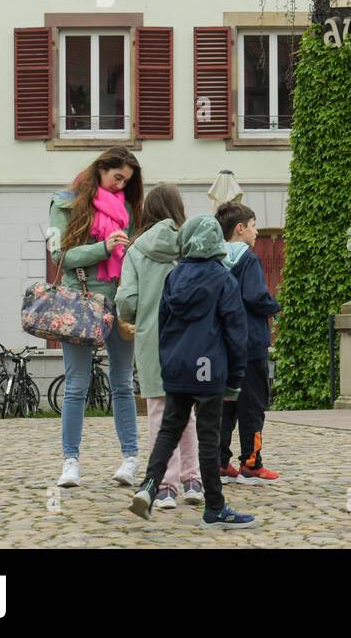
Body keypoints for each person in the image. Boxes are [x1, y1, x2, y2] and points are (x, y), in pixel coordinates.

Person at [129, 215, 253, 529]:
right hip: (209, 368)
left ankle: (149, 485)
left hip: (176, 367)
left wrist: (168, 363)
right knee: (208, 437)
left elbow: (164, 326)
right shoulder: (223, 279)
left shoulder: (174, 277)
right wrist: (235, 379)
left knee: (169, 430)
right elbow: (236, 333)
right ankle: (215, 508)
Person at [48, 146, 142, 489]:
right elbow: (59, 255)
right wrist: (102, 248)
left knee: (122, 383)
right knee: (76, 386)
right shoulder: (66, 203)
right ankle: (70, 461)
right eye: (117, 177)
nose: (120, 185)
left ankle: (130, 459)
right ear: (101, 169)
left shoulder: (128, 208)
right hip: (81, 303)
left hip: (119, 300)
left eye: (126, 181)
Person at [118, 183, 202, 510]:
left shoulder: (136, 250)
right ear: (177, 209)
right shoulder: (191, 244)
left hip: (152, 338)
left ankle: (165, 486)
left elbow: (127, 300)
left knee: (158, 413)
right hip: (189, 337)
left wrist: (130, 314)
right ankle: (193, 481)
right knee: (187, 411)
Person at [215, 201, 282, 486]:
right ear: (240, 229)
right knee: (253, 404)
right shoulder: (249, 260)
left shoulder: (216, 259)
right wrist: (274, 306)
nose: (256, 232)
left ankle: (219, 460)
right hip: (251, 344)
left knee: (226, 404)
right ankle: (251, 463)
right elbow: (255, 295)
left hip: (224, 344)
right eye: (254, 226)